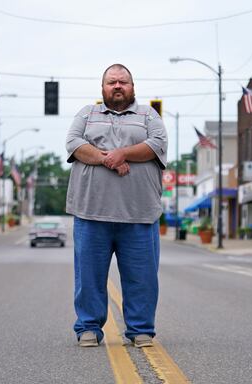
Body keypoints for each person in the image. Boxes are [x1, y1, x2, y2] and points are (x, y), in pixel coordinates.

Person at [65, 63, 167, 348]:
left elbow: (157, 143)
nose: (118, 86)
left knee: (142, 279)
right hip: (90, 213)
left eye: (123, 82)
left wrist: (123, 153)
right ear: (103, 88)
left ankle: (140, 330)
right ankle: (88, 327)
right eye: (112, 82)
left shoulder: (149, 115)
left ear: (133, 87)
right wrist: (109, 159)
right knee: (88, 277)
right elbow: (73, 143)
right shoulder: (87, 114)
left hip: (139, 214)